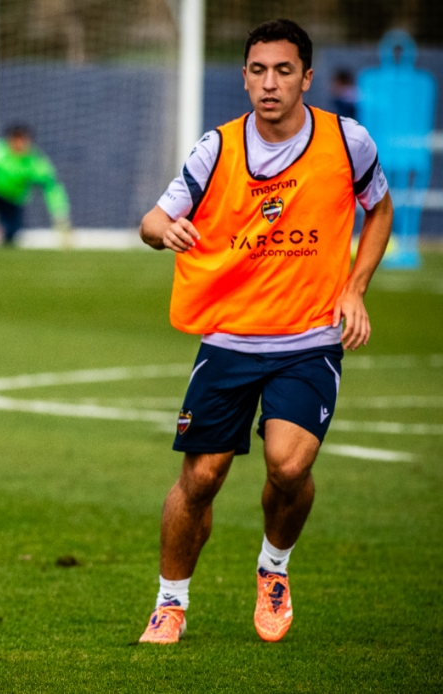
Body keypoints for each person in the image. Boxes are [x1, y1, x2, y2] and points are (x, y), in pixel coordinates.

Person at [137, 19, 393, 645]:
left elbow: (379, 207)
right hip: (228, 337)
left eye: (284, 70)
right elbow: (152, 220)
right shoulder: (216, 148)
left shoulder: (346, 140)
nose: (269, 83)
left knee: (288, 464)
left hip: (309, 338)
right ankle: (170, 603)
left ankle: (273, 569)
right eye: (258, 70)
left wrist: (354, 288)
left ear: (306, 76)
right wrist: (163, 230)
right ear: (244, 75)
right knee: (201, 478)